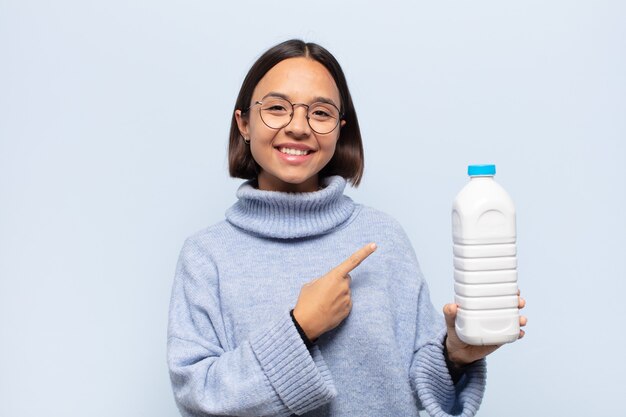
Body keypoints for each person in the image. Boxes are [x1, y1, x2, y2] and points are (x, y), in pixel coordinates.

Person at [167, 39, 527, 417]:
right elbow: (198, 396)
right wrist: (299, 327)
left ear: (339, 130)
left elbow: (418, 391)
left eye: (320, 113)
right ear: (244, 123)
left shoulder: (383, 237)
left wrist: (455, 357)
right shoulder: (206, 255)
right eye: (276, 108)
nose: (298, 127)